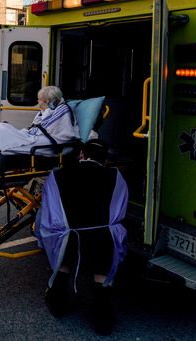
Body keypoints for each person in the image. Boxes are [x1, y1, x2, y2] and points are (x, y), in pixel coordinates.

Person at [35, 140, 128, 335]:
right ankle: (103, 321)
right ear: (106, 160)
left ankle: (58, 304)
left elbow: (50, 213)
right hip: (103, 236)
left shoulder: (57, 175)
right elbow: (119, 213)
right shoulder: (115, 176)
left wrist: (46, 238)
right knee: (102, 271)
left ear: (81, 155)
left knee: (64, 264)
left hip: (70, 236)